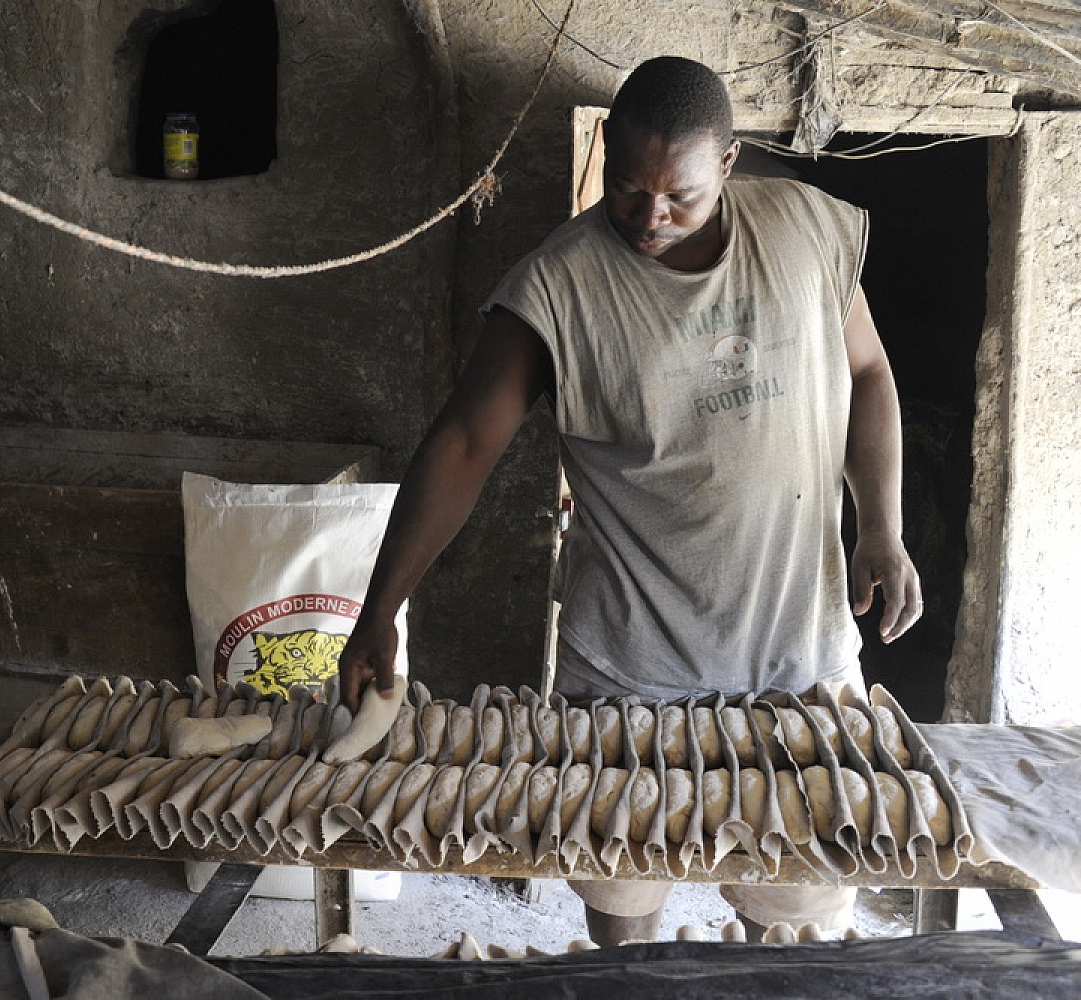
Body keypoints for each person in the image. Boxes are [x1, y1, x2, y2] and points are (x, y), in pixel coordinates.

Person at [337, 57, 922, 945]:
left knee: (796, 938)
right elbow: (462, 444)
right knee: (624, 940)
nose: (649, 216)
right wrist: (381, 608)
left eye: (679, 195)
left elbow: (870, 371)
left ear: (729, 164)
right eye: (627, 188)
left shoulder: (806, 230)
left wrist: (882, 525)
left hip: (800, 670)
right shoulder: (559, 288)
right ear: (605, 153)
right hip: (629, 682)